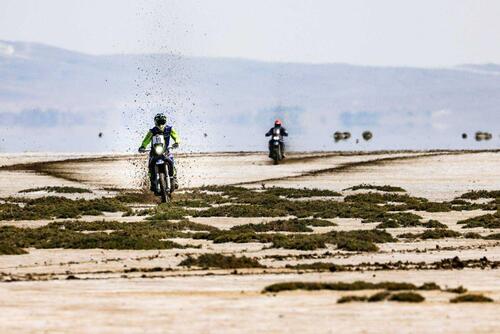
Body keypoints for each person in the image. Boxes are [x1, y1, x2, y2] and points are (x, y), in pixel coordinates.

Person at [138, 113, 180, 191]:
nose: (161, 124)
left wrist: (176, 142)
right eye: (159, 121)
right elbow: (146, 140)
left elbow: (176, 136)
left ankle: (174, 178)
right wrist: (142, 146)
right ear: (156, 122)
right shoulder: (152, 131)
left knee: (172, 162)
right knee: (150, 166)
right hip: (154, 152)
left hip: (165, 151)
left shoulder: (169, 129)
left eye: (162, 121)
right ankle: (152, 182)